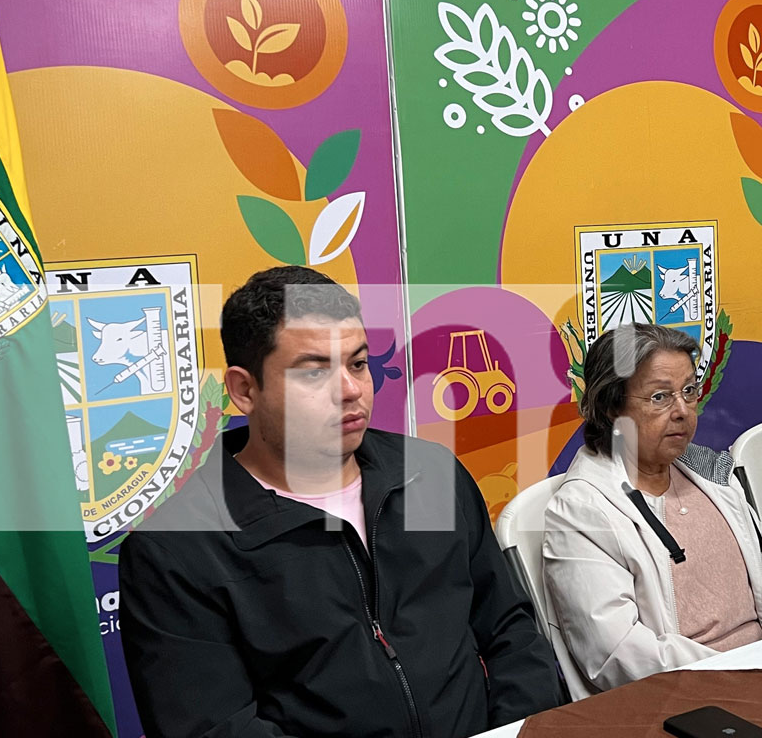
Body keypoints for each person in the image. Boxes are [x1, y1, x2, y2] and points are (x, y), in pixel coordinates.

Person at [119, 266, 563, 738]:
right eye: (314, 372)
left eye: (357, 363)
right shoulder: (177, 547)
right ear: (245, 390)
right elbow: (215, 729)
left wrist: (512, 731)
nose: (351, 391)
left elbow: (512, 630)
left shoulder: (429, 473)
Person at [542, 324, 762, 693]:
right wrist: (745, 674)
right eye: (659, 397)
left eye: (689, 391)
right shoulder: (582, 510)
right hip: (690, 694)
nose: (683, 411)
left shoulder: (712, 472)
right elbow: (618, 653)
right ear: (610, 408)